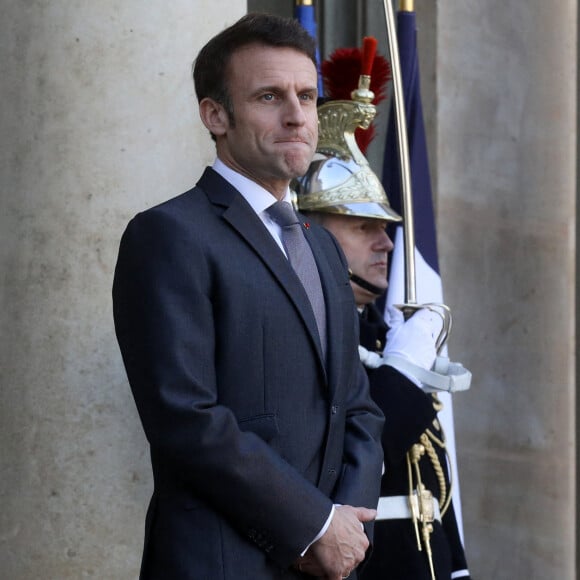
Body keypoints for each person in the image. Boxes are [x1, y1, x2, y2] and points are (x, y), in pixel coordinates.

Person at [112, 13, 384, 580]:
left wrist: (346, 529)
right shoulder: (169, 234)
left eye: (306, 96)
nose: (296, 116)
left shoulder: (323, 249)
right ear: (215, 115)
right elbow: (186, 417)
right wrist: (312, 525)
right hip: (220, 562)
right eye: (269, 96)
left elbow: (357, 406)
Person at [294, 91, 471, 579]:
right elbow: (366, 446)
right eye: (362, 226)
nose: (386, 242)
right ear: (309, 231)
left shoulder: (376, 339)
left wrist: (456, 570)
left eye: (386, 226)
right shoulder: (304, 339)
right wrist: (403, 372)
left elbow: (432, 478)